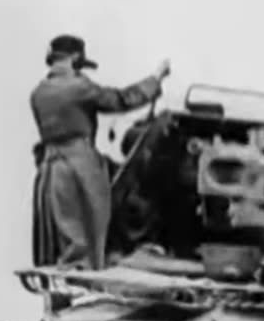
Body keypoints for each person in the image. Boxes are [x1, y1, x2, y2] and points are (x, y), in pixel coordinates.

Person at [30, 34, 171, 270]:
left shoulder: (38, 93)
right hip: (79, 160)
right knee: (97, 216)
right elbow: (122, 100)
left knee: (68, 224)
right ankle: (99, 263)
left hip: (50, 163)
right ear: (75, 58)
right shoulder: (79, 87)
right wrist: (155, 79)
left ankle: (73, 268)